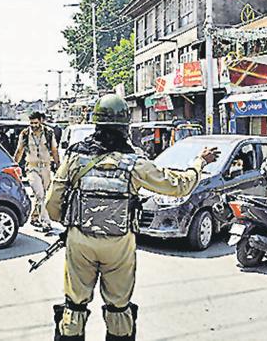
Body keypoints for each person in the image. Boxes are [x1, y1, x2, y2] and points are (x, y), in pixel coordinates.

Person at [45, 94, 219, 341]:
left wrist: (70, 225)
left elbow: (52, 202)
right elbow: (178, 186)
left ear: (96, 123)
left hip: (80, 241)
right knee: (118, 307)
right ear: (125, 126)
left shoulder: (75, 158)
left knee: (74, 306)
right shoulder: (135, 162)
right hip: (119, 243)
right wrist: (199, 162)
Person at [14, 111, 60, 232]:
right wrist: (14, 165)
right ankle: (45, 222)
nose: (33, 125)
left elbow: (54, 150)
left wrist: (58, 166)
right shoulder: (24, 134)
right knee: (39, 194)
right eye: (31, 123)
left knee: (43, 194)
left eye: (36, 122)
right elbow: (19, 151)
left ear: (41, 121)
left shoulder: (49, 133)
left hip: (45, 167)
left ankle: (34, 216)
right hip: (32, 168)